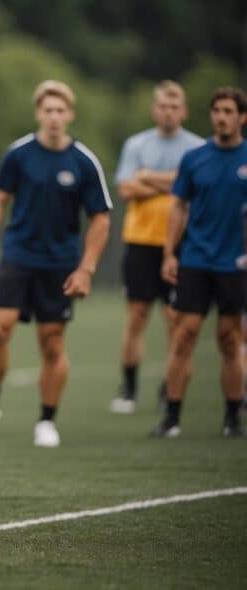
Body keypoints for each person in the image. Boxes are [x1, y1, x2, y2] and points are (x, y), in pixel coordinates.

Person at [0, 80, 111, 447]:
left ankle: (46, 420)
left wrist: (86, 269)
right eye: (48, 111)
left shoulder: (84, 161)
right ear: (38, 114)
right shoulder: (19, 154)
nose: (54, 117)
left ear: (70, 115)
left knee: (52, 344)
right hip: (18, 255)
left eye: (61, 111)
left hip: (60, 263)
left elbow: (101, 219)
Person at [152, 86, 247, 439]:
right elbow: (178, 205)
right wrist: (168, 253)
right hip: (195, 259)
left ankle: (231, 418)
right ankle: (172, 418)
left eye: (228, 111)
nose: (221, 117)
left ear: (242, 118)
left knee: (228, 337)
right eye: (217, 111)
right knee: (184, 335)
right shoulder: (194, 159)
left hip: (234, 264)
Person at [111, 81, 204, 414]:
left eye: (174, 106)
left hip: (182, 244)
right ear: (155, 109)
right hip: (140, 240)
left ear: (184, 111)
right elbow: (125, 188)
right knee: (136, 316)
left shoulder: (198, 148)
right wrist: (173, 181)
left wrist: (148, 177)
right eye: (163, 105)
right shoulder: (136, 144)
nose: (168, 111)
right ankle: (129, 388)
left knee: (175, 319)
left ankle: (170, 387)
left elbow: (192, 190)